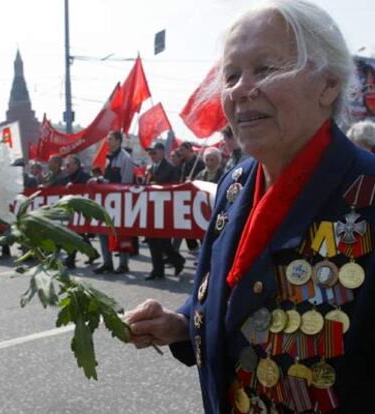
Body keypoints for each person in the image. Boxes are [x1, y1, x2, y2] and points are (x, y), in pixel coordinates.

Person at [125, 1, 375, 413]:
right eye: (231, 75)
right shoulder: (234, 184)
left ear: (327, 84)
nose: (241, 89)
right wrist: (181, 324)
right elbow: (230, 299)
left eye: (266, 69)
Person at [94, 130, 134, 275]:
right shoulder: (107, 157)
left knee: (121, 232)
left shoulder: (126, 158)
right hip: (107, 201)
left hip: (121, 202)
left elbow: (127, 182)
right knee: (102, 231)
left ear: (118, 140)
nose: (107, 142)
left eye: (110, 139)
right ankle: (107, 262)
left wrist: (106, 183)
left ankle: (124, 264)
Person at [144, 142, 185, 280]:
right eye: (150, 153)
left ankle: (178, 260)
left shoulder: (171, 168)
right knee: (151, 240)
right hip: (151, 208)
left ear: (162, 152)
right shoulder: (150, 168)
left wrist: (159, 186)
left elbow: (174, 187)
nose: (152, 156)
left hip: (165, 210)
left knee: (163, 242)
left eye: (154, 152)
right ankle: (157, 270)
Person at [62, 155, 99, 269]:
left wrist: (74, 187)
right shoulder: (68, 176)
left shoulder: (84, 177)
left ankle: (70, 260)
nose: (67, 165)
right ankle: (93, 253)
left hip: (82, 210)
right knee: (79, 234)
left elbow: (89, 190)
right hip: (73, 209)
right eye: (66, 163)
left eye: (70, 163)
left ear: (76, 165)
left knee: (74, 234)